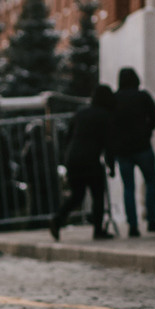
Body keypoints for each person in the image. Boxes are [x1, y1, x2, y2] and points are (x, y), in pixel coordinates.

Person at [52, 84, 117, 241]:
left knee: (77, 194)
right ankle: (98, 230)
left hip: (73, 158)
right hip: (90, 159)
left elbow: (68, 137)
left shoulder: (81, 113)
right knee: (97, 195)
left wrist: (65, 158)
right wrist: (111, 165)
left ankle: (58, 219)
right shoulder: (105, 116)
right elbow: (109, 143)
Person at [113, 66, 155, 236]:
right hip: (142, 146)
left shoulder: (115, 99)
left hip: (123, 150)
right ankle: (151, 220)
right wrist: (147, 130)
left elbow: (110, 123)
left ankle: (133, 225)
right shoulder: (142, 96)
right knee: (151, 182)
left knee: (128, 187)